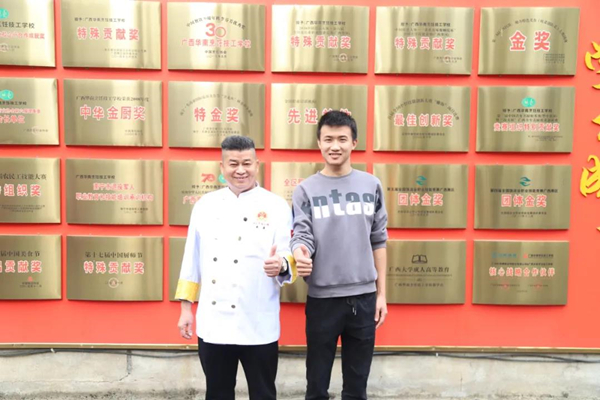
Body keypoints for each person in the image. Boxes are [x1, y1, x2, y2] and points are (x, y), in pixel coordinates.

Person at [175, 135, 296, 400]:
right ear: (222, 167)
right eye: (233, 164)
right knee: (217, 393)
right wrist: (186, 308)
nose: (240, 170)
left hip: (259, 321)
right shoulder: (205, 206)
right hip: (214, 321)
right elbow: (191, 259)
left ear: (257, 165)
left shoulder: (276, 206)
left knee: (264, 394)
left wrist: (281, 265)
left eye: (246, 163)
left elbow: (288, 253)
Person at [290, 110, 389, 400]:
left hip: (364, 298)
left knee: (357, 386)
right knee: (316, 384)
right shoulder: (305, 190)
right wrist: (300, 251)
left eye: (342, 139)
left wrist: (381, 295)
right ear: (319, 143)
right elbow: (301, 234)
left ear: (354, 143)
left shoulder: (371, 185)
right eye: (328, 139)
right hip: (322, 300)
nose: (335, 146)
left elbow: (379, 240)